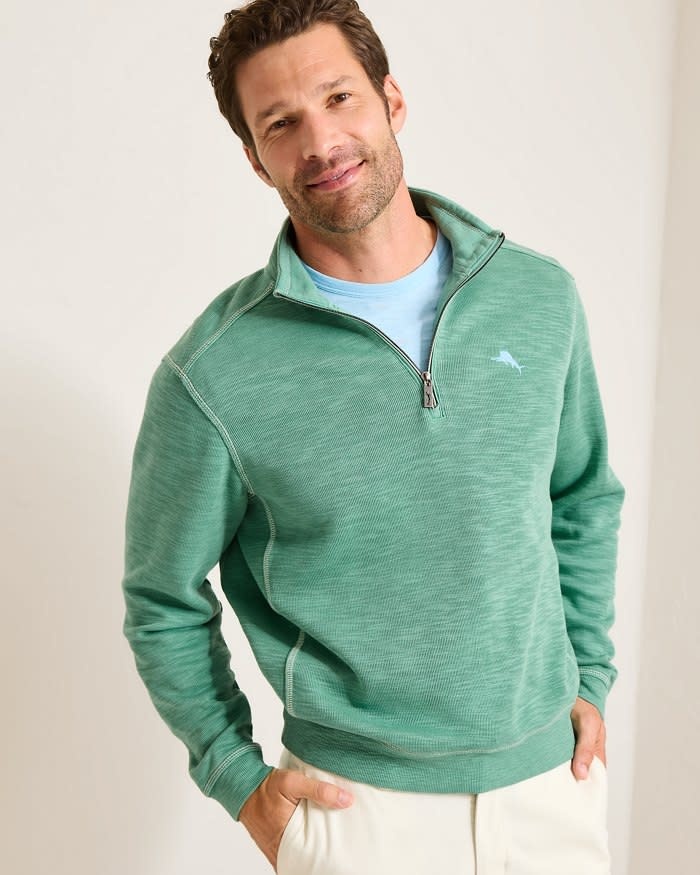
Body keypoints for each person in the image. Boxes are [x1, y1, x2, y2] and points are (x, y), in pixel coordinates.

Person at [121, 1, 626, 872]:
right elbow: (161, 598)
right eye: (281, 123)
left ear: (392, 99)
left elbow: (582, 498)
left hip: (552, 789)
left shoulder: (539, 298)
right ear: (254, 157)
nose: (321, 141)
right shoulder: (212, 374)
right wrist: (237, 776)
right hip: (359, 814)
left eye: (339, 97)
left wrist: (589, 678)